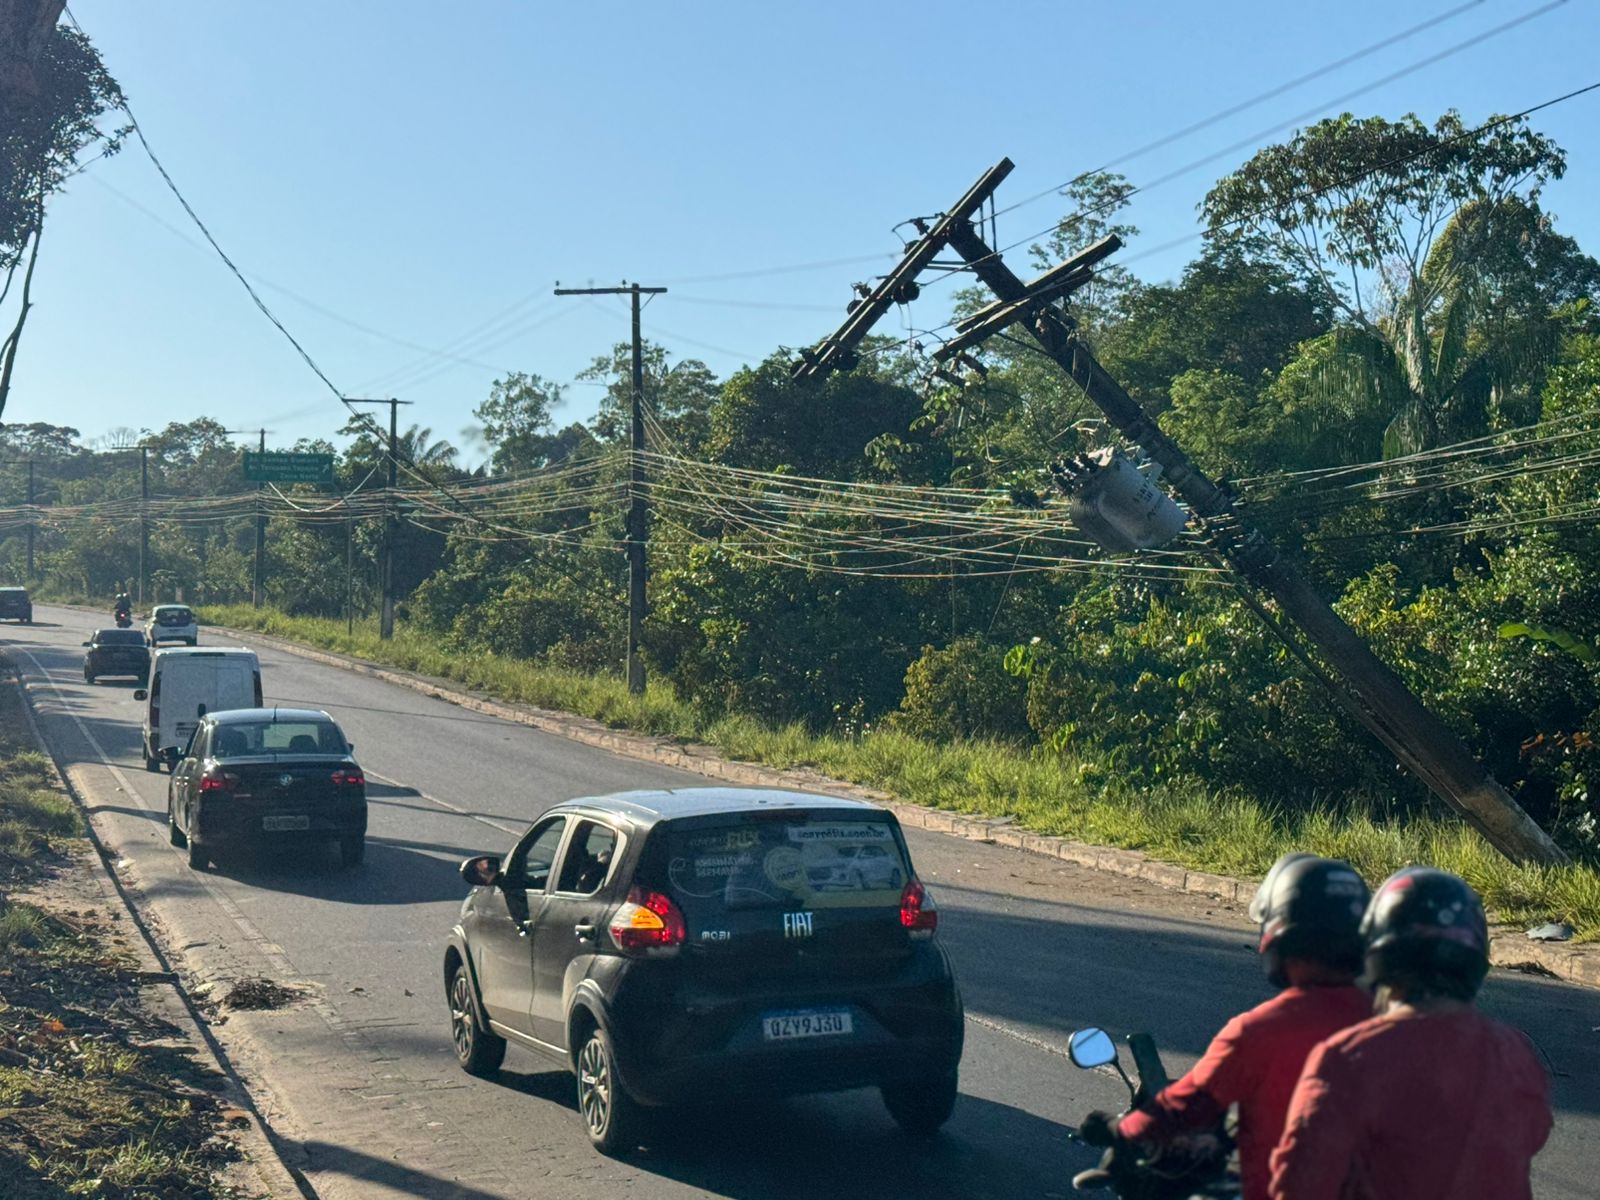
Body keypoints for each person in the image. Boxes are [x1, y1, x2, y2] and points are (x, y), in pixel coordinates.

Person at [1079, 853, 1373, 1200]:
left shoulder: (1261, 1031)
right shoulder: (1399, 1025)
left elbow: (1181, 1110)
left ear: (1278, 933)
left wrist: (1115, 1128)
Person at [1269, 867, 1552, 1199]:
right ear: (1474, 959)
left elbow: (1298, 1186)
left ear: (1379, 954)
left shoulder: (1348, 1058)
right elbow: (1531, 1136)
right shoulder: (1517, 1054)